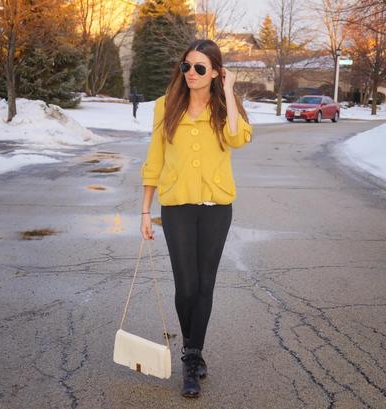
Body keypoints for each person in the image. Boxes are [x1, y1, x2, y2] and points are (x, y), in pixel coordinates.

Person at [139, 39, 253, 398]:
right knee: (186, 286)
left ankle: (191, 356)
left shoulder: (225, 108)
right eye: (186, 66)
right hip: (177, 208)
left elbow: (237, 140)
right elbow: (154, 159)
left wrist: (231, 93)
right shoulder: (165, 106)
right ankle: (193, 348)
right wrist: (145, 209)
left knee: (205, 285)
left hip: (217, 208)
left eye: (200, 68)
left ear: (216, 73)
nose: (190, 73)